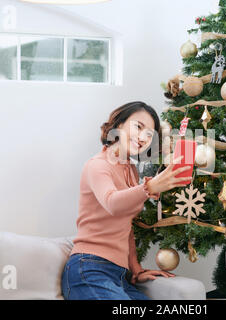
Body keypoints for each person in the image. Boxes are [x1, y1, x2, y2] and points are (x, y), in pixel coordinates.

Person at [61, 101, 191, 300]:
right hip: (89, 268)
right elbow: (112, 203)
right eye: (138, 127)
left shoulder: (130, 170)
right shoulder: (97, 165)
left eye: (149, 135)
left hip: (119, 275)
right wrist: (150, 187)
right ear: (119, 125)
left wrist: (136, 270)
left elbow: (126, 225)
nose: (142, 138)